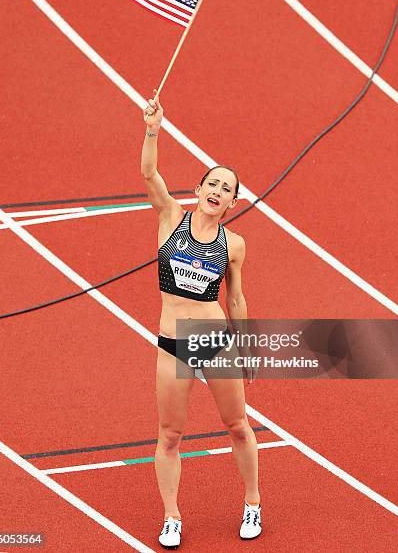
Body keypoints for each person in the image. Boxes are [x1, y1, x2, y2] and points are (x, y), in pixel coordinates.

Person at [141, 91, 261, 548]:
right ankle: (171, 515)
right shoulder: (170, 216)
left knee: (237, 426)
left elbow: (236, 299)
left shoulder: (235, 245)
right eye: (212, 183)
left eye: (226, 189)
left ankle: (252, 502)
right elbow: (149, 172)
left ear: (232, 202)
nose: (217, 192)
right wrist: (153, 128)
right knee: (170, 434)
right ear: (199, 189)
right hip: (172, 341)